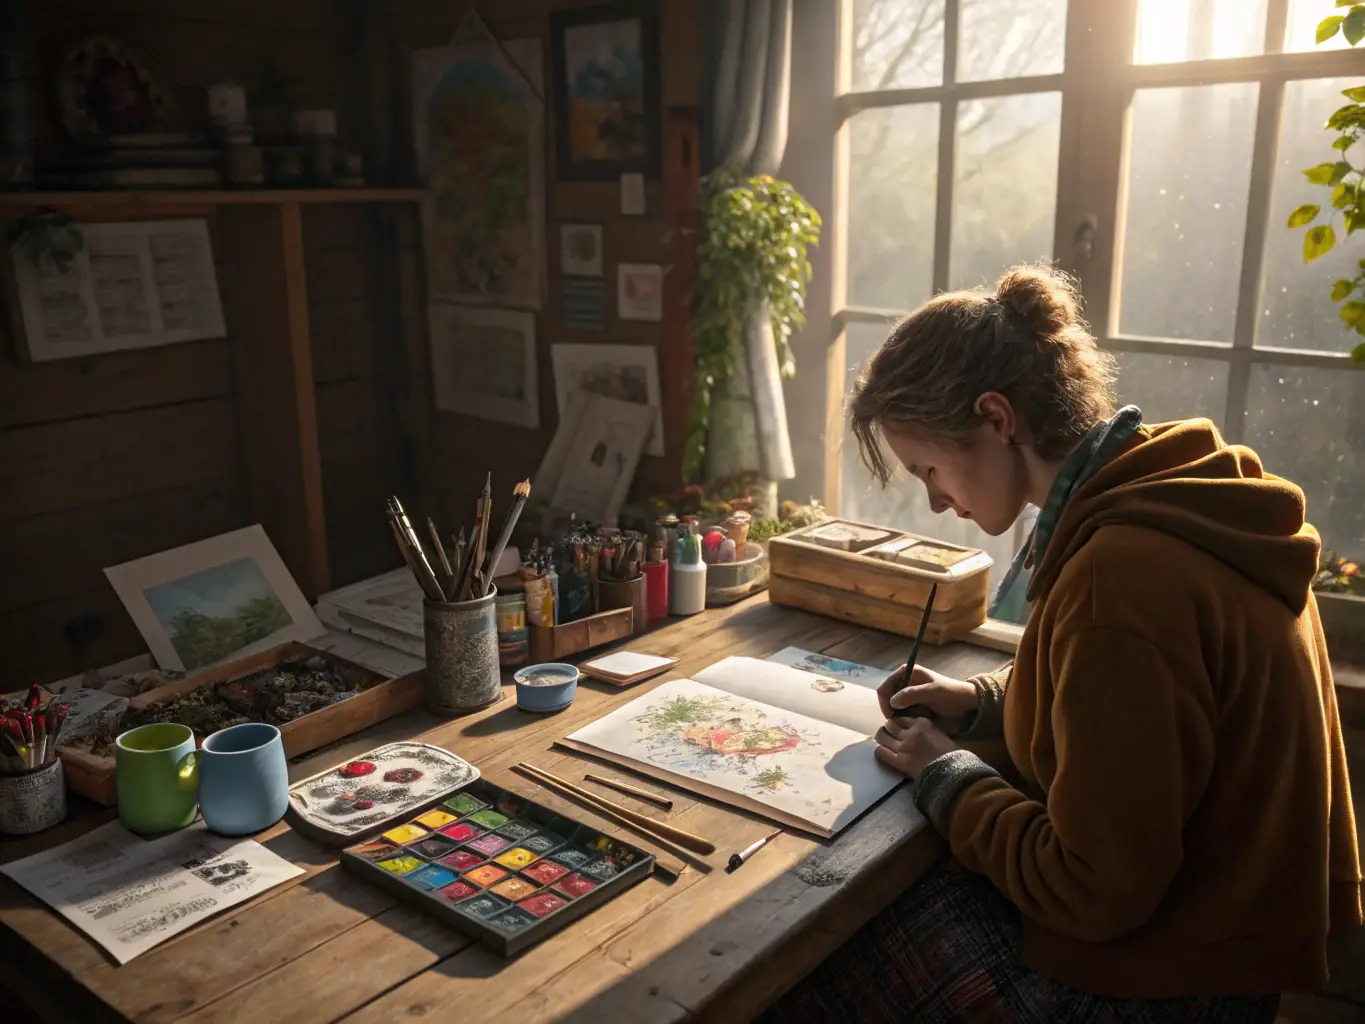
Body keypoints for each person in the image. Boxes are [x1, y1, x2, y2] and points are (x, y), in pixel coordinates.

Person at [761, 265, 1362, 1023]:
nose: (936, 499)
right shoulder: (1165, 494)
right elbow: (1130, 708)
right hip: (1228, 942)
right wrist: (977, 700)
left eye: (930, 469)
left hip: (1167, 981)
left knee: (810, 960)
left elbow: (1091, 887)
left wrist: (942, 773)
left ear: (995, 417)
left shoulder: (1120, 577)